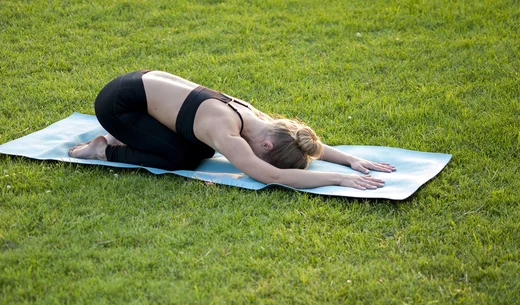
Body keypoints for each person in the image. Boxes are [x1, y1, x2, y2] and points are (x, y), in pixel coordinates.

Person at [69, 70, 395, 190]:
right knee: (176, 159)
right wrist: (338, 178)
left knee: (198, 150)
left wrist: (347, 159)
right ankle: (105, 148)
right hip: (117, 106)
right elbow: (273, 177)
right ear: (266, 148)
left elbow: (302, 141)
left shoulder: (259, 120)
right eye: (265, 158)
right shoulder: (226, 131)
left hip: (136, 83)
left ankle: (122, 137)